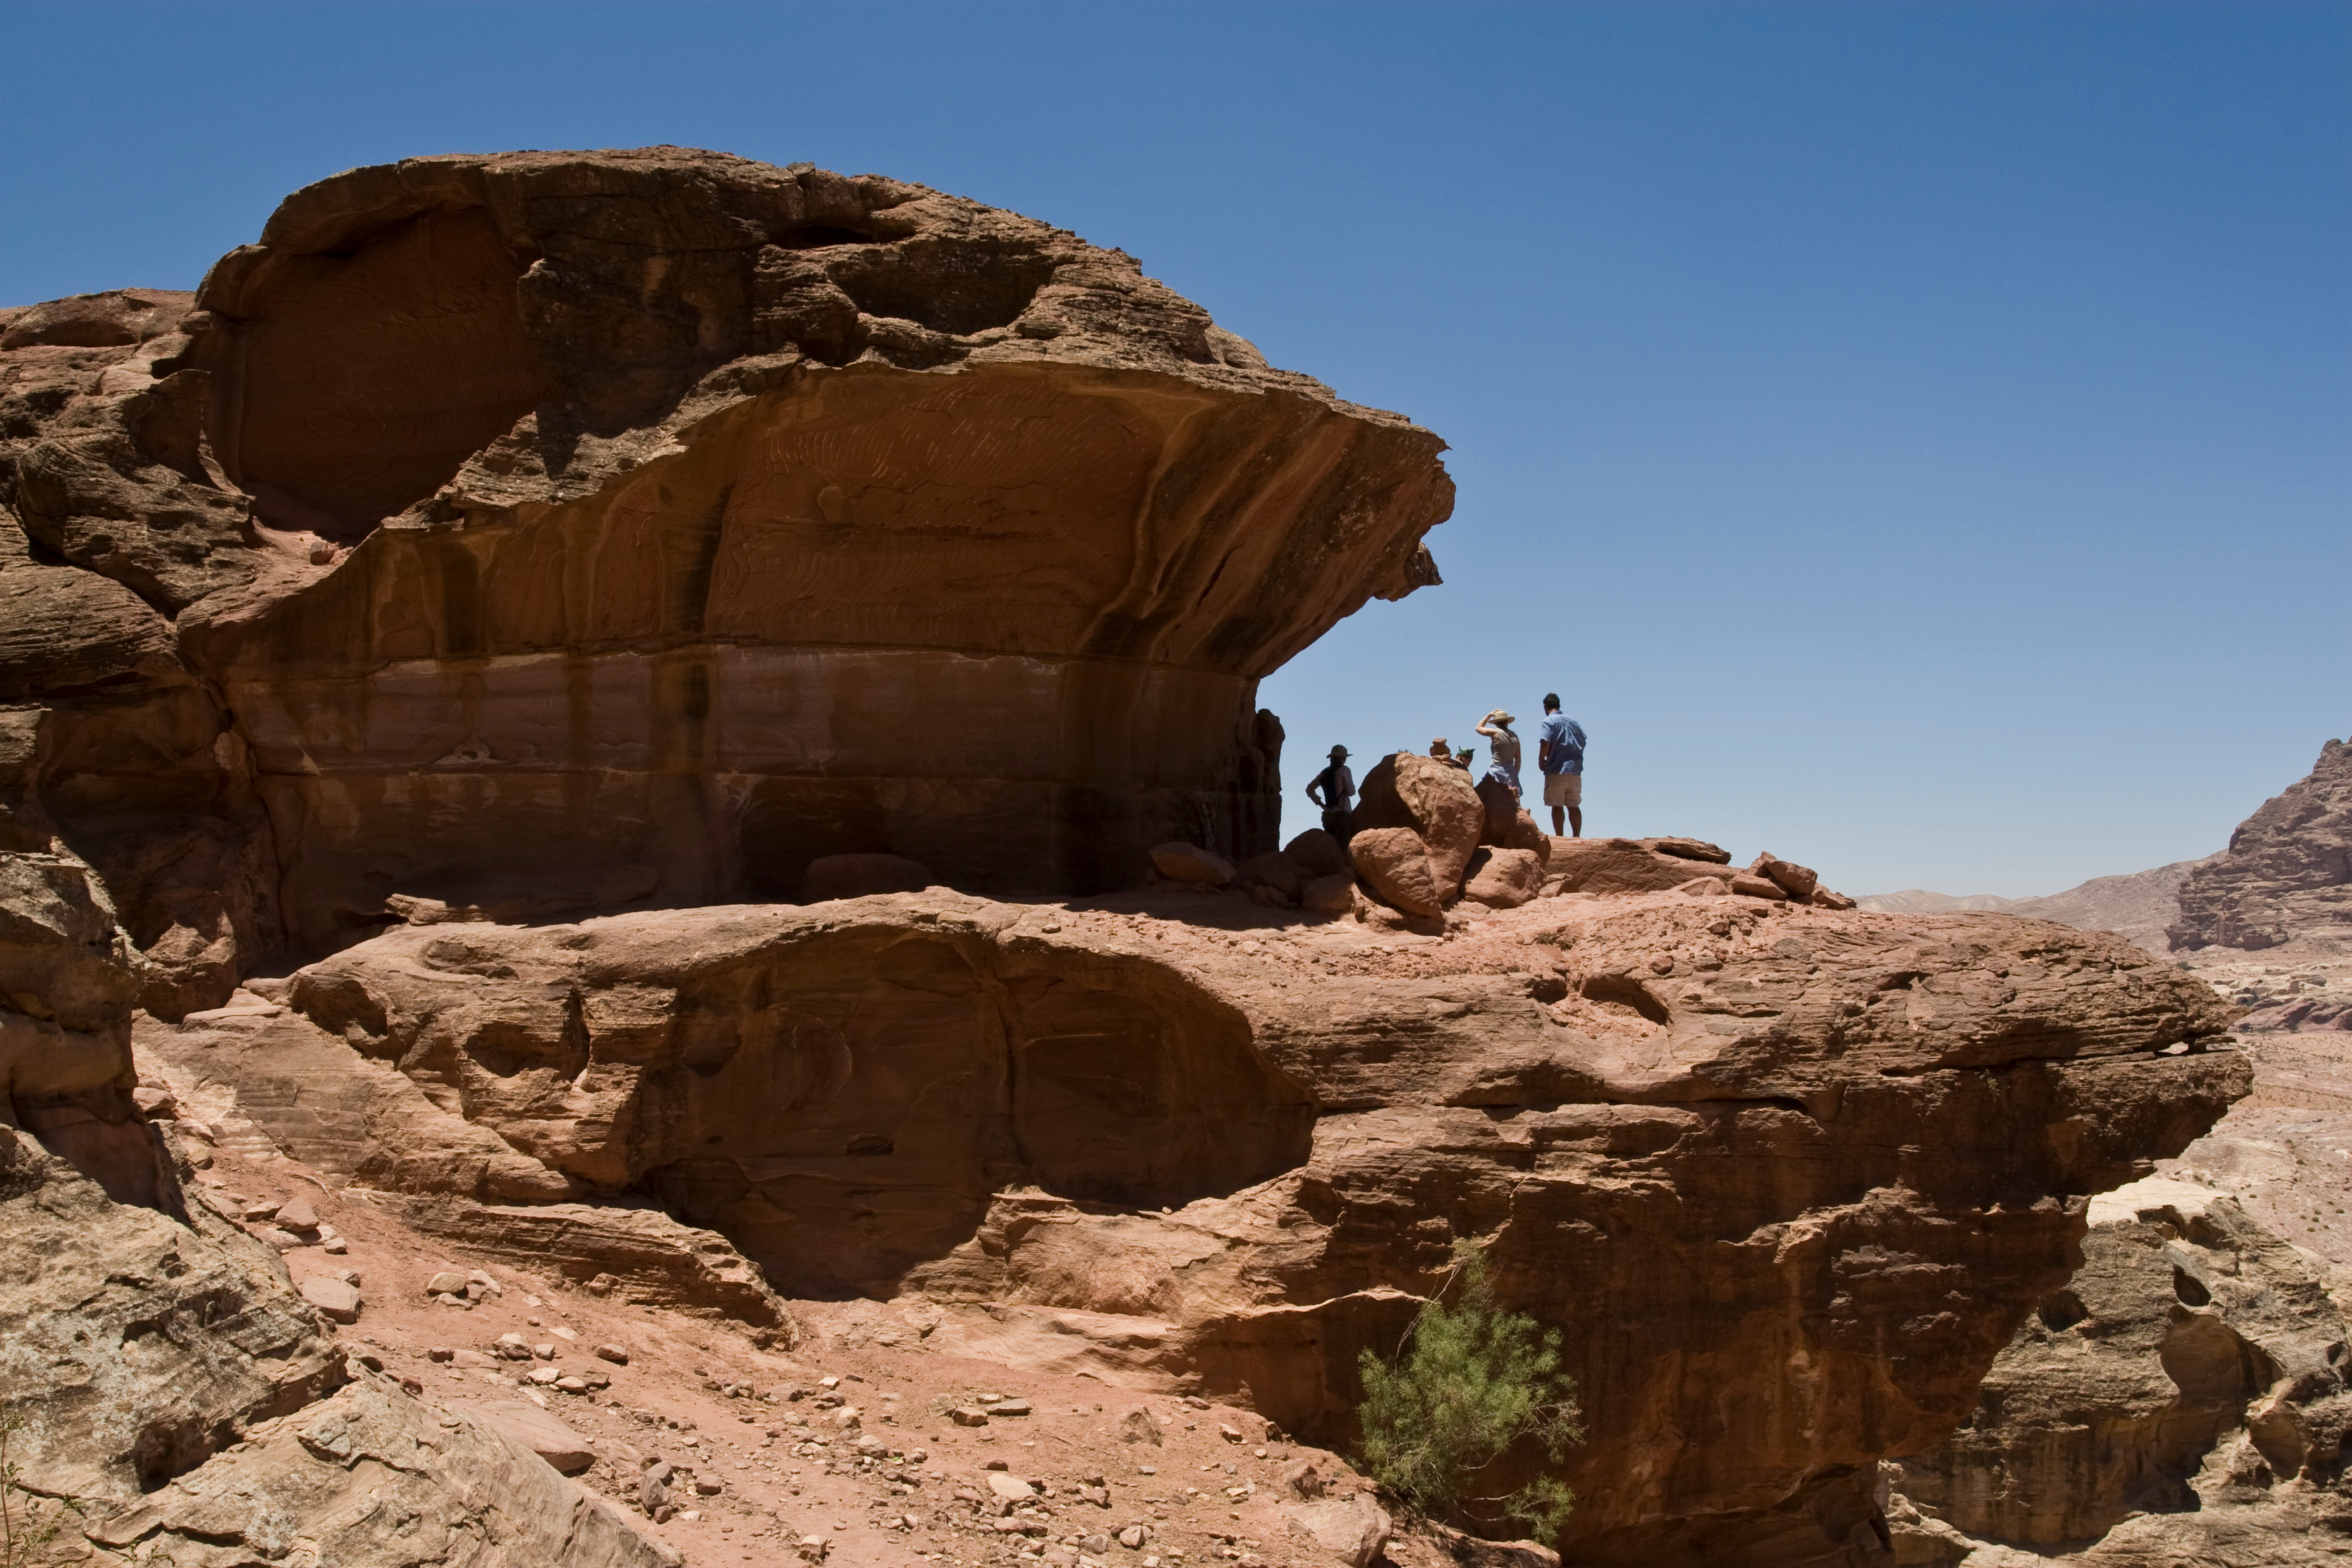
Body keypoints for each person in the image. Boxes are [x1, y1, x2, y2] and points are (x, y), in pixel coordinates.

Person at [1538, 692, 1587, 838]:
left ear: (1545, 706)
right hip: (1575, 769)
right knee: (1574, 805)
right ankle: (1577, 837)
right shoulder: (1573, 722)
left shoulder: (1548, 722)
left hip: (1556, 768)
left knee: (1556, 804)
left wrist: (1541, 758)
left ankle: (1560, 838)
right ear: (1559, 705)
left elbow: (1545, 742)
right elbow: (1583, 740)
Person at [1305, 744, 1355, 840]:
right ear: (1342, 758)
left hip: (1328, 816)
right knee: (1344, 847)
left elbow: (1309, 789)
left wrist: (1321, 804)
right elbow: (1351, 792)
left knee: (1332, 847)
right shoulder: (1345, 770)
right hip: (1342, 814)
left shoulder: (1324, 773)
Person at [1475, 709, 1521, 797]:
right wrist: (1514, 775)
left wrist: (1488, 716)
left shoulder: (1495, 733)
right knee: (1512, 803)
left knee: (1485, 796)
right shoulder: (1515, 737)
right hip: (1511, 773)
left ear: (1496, 723)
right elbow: (1518, 760)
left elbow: (1478, 728)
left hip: (1497, 771)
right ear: (1507, 722)